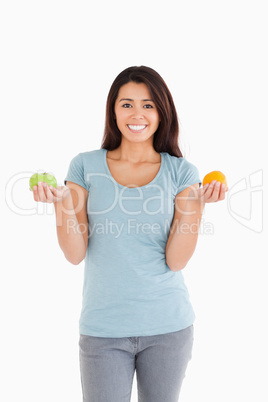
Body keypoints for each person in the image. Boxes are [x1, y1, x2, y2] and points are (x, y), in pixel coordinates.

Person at [31, 66, 227, 402]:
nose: (137, 114)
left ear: (162, 112)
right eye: (127, 104)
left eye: (148, 105)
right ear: (113, 110)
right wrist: (61, 204)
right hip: (103, 330)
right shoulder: (84, 165)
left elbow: (176, 260)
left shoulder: (182, 172)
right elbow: (75, 254)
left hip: (168, 326)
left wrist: (197, 205)